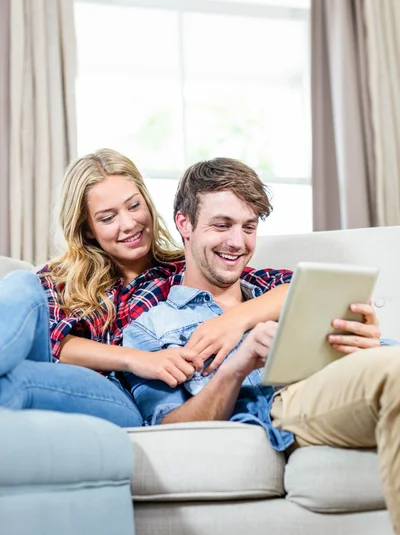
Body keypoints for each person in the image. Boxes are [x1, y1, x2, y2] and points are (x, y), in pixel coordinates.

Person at [120, 157, 400, 534]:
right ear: (184, 224)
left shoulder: (279, 295)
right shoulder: (151, 329)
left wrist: (369, 343)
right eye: (222, 225)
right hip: (289, 405)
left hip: (348, 386)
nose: (237, 243)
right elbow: (168, 427)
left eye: (248, 227)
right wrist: (239, 363)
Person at [0, 149, 289, 426]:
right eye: (108, 217)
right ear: (87, 227)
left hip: (111, 393)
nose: (128, 224)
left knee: (16, 381)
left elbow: (282, 286)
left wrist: (233, 321)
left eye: (134, 206)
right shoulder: (59, 278)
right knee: (21, 283)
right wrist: (138, 360)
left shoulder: (180, 268)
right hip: (56, 374)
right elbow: (54, 343)